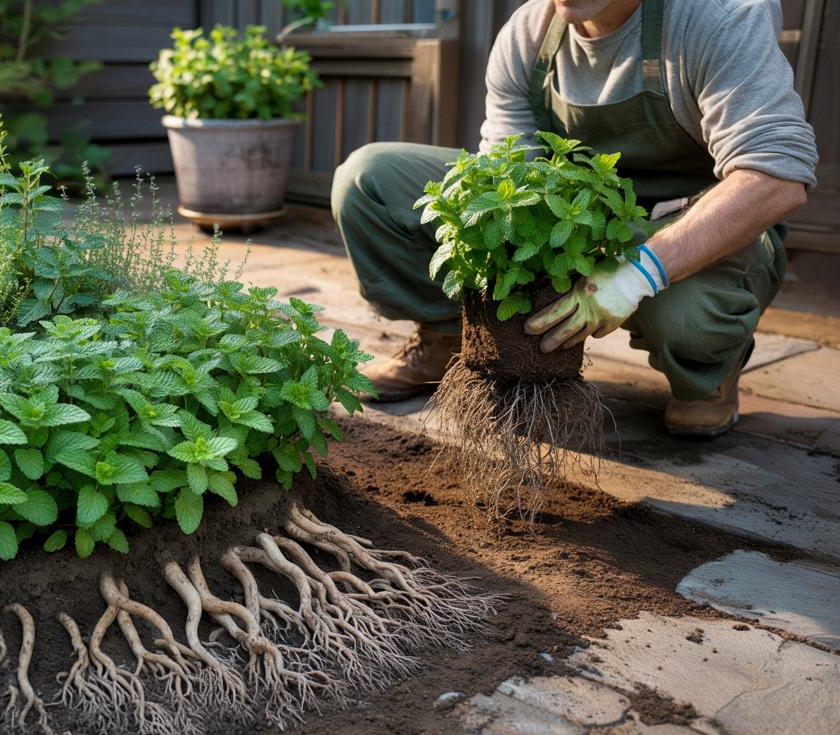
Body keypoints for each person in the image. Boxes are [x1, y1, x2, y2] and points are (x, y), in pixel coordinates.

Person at [331, 0, 818, 437]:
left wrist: (638, 274)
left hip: (692, 221)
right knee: (369, 180)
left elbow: (775, 176)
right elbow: (507, 178)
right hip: (582, 221)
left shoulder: (718, 15)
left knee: (689, 322)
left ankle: (709, 369)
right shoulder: (527, 32)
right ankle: (448, 337)